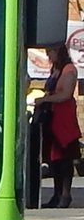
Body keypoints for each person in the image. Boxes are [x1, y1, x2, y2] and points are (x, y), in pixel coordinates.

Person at [36, 44, 81, 208]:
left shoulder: (69, 70)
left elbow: (65, 94)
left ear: (59, 52)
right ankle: (56, 194)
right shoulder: (55, 69)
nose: (49, 56)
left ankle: (65, 194)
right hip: (52, 117)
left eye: (51, 52)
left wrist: (45, 99)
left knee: (65, 157)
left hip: (64, 118)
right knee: (54, 158)